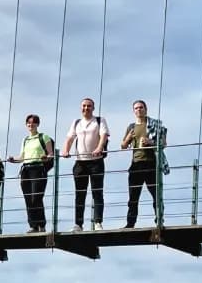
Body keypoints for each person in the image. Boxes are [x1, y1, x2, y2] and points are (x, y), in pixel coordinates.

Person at [60, 98, 109, 231]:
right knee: (80, 194)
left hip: (96, 161)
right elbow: (70, 138)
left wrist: (99, 148)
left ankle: (98, 222)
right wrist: (65, 150)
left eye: (89, 106)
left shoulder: (99, 120)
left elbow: (104, 135)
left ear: (93, 108)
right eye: (84, 106)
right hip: (80, 162)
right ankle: (78, 224)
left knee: (97, 192)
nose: (86, 108)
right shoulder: (76, 123)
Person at [120, 99, 169, 228]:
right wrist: (128, 138)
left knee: (156, 195)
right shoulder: (131, 127)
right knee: (133, 197)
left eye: (141, 107)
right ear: (133, 111)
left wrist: (151, 142)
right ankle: (130, 223)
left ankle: (159, 221)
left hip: (151, 163)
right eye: (136, 108)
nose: (138, 110)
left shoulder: (155, 124)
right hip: (136, 164)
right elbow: (123, 146)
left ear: (145, 109)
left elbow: (163, 144)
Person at [7, 114, 54, 233]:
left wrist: (45, 157)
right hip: (26, 170)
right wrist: (13, 159)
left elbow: (51, 154)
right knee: (28, 198)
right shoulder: (25, 140)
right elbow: (22, 157)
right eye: (28, 122)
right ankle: (33, 226)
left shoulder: (44, 137)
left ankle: (41, 225)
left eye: (33, 122)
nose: (30, 124)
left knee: (36, 197)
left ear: (38, 124)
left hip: (38, 168)